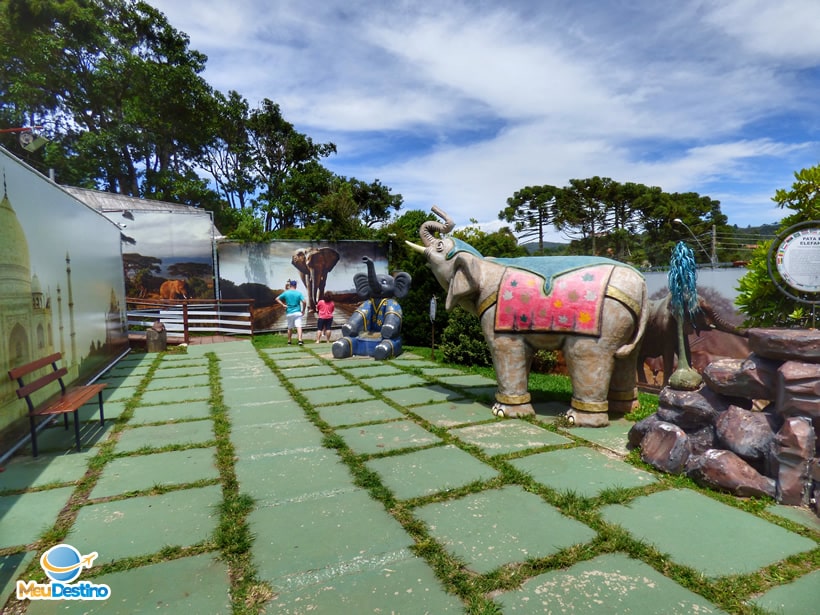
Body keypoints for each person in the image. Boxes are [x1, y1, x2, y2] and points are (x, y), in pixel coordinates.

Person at [276, 280, 306, 346]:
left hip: (289, 312)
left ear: (290, 285)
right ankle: (300, 340)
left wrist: (283, 305)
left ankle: (289, 341)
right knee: (299, 326)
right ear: (296, 285)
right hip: (297, 312)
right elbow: (304, 302)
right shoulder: (299, 293)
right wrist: (303, 310)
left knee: (290, 327)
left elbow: (277, 298)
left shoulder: (286, 293)